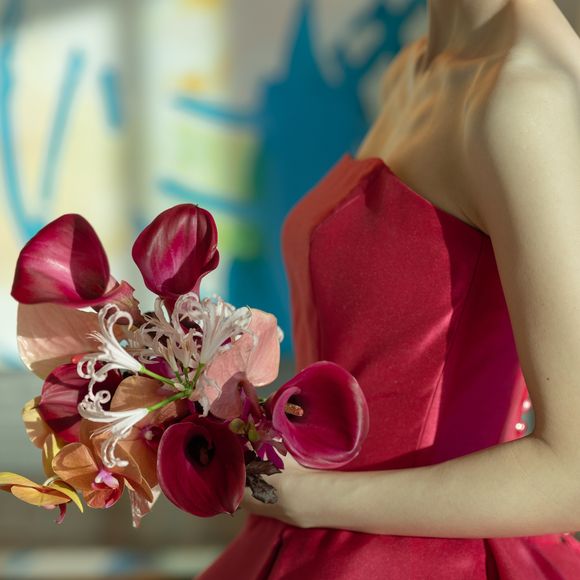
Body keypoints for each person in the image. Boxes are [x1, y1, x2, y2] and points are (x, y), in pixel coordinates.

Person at [198, 0, 580, 577]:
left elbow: (572, 471)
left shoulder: (525, 96)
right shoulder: (413, 68)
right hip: (313, 541)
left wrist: (317, 498)